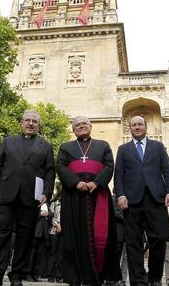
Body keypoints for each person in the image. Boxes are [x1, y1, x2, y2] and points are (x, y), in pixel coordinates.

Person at [0, 110, 55, 286]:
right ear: (21, 123)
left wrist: (46, 193)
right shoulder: (8, 142)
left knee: (25, 238)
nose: (30, 124)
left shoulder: (46, 146)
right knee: (1, 235)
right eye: (27, 120)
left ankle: (17, 276)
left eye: (34, 122)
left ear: (38, 125)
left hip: (31, 198)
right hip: (6, 195)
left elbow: (50, 172)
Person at [57, 116, 121, 286]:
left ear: (90, 126)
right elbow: (61, 167)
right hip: (73, 196)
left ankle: (97, 276)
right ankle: (74, 276)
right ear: (73, 129)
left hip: (98, 195)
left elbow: (109, 166)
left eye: (84, 124)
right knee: (73, 235)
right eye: (77, 125)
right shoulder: (66, 147)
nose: (81, 126)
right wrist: (76, 183)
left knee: (100, 235)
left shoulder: (103, 145)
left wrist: (96, 182)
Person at [114, 116, 169, 286]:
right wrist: (120, 195)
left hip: (156, 199)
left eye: (140, 124)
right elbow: (118, 175)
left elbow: (167, 171)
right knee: (133, 242)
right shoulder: (123, 149)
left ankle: (154, 278)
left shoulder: (158, 147)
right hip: (131, 202)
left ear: (146, 127)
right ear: (130, 128)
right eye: (133, 125)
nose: (137, 127)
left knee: (159, 239)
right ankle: (138, 281)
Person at [28, 202, 51, 281]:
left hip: (44, 234)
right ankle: (28, 273)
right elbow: (31, 213)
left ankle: (35, 274)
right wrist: (40, 214)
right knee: (31, 254)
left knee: (39, 255)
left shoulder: (48, 204)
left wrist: (48, 214)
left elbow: (51, 214)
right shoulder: (35, 202)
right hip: (35, 232)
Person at [47, 186, 63, 283]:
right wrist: (57, 224)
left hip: (63, 232)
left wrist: (62, 226)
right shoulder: (54, 204)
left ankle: (59, 275)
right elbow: (50, 216)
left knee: (61, 254)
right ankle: (50, 275)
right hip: (53, 231)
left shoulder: (68, 205)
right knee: (53, 253)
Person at [113, 194, 128, 286]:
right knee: (116, 256)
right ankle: (113, 278)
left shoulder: (128, 197)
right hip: (117, 233)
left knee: (126, 258)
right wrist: (129, 219)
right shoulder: (113, 198)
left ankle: (123, 279)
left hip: (127, 233)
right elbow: (116, 213)